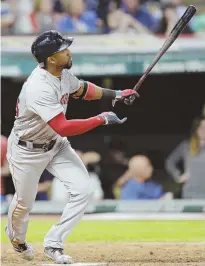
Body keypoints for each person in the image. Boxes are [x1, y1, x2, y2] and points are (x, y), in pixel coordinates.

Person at [5, 30, 137, 263]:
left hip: (55, 145)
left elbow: (83, 90)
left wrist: (115, 94)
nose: (68, 52)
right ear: (51, 59)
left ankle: (54, 243)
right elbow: (63, 126)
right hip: (27, 150)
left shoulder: (62, 73)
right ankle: (16, 238)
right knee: (25, 203)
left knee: (83, 190)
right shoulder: (39, 86)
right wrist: (101, 118)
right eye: (63, 50)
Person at [165, 117, 205, 199]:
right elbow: (170, 162)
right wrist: (178, 176)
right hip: (190, 194)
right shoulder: (186, 146)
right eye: (202, 127)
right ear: (196, 129)